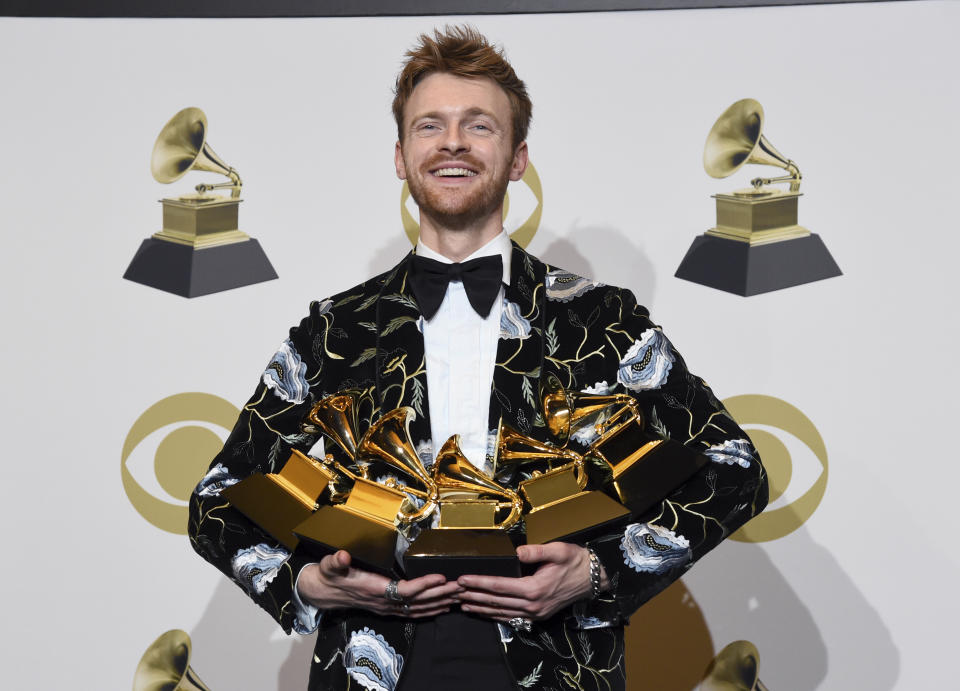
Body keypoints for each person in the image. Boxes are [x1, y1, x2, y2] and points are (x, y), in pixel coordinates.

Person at [189, 25, 768, 691]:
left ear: (519, 158)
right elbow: (214, 502)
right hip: (371, 669)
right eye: (429, 126)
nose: (453, 141)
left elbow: (735, 470)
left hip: (559, 665)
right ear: (402, 157)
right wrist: (309, 583)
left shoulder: (601, 319)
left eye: (479, 125)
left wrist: (599, 568)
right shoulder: (333, 331)